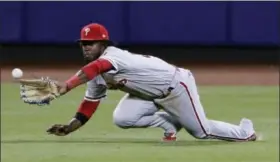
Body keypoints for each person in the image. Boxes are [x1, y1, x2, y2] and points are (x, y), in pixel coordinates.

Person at [27, 23, 258, 142]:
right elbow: (88, 106)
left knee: (202, 132)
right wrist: (69, 128)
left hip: (176, 85)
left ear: (103, 44)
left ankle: (245, 132)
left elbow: (96, 67)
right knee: (122, 118)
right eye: (83, 43)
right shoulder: (94, 74)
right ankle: (169, 124)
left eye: (92, 42)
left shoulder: (112, 56)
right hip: (149, 95)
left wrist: (66, 85)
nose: (87, 46)